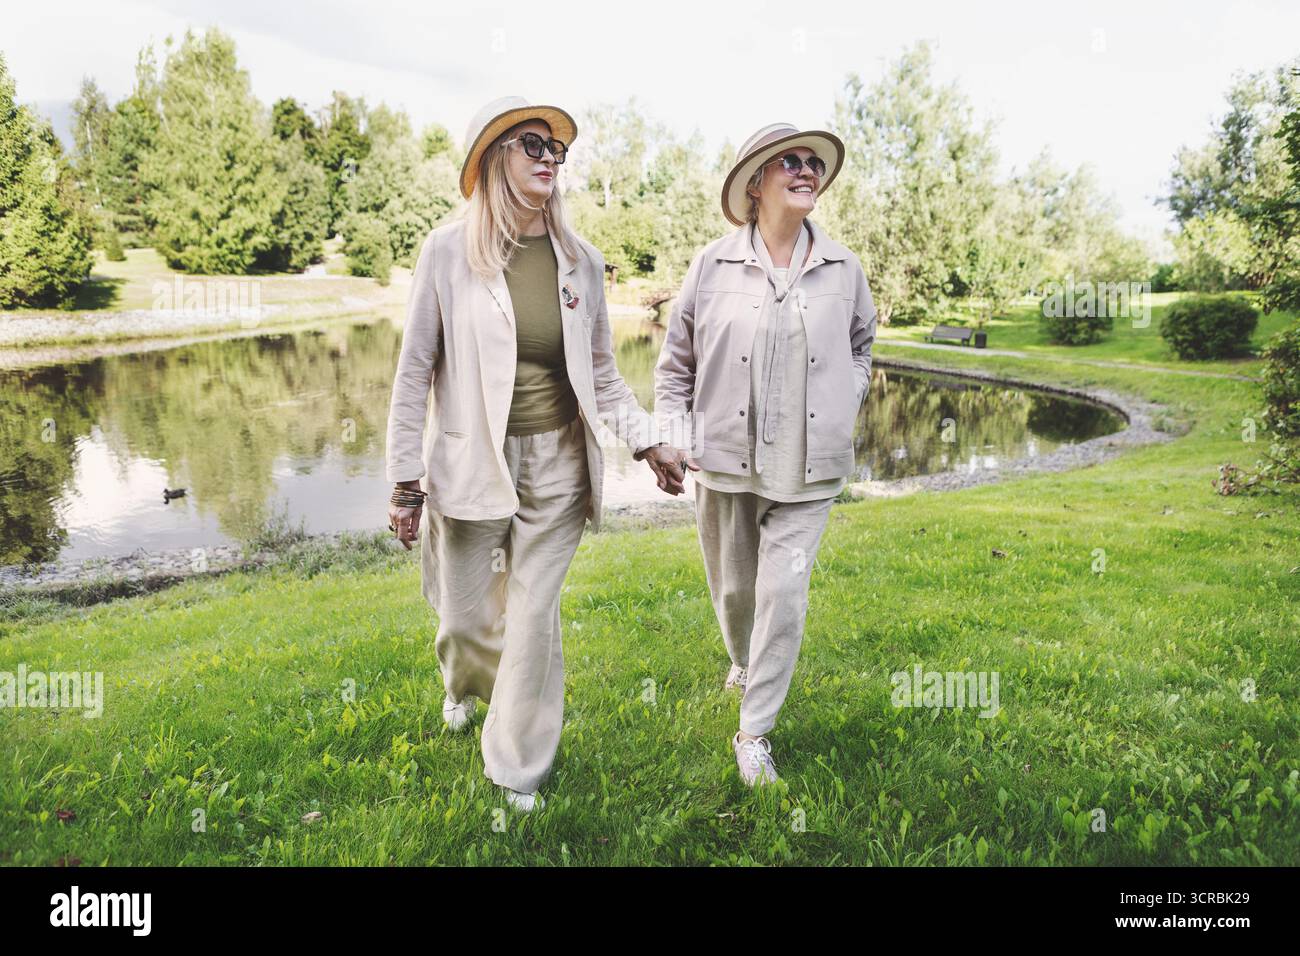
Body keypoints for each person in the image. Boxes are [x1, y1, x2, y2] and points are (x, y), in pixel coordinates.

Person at [385, 96, 686, 812]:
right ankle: (463, 684)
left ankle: (517, 765)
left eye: (558, 149)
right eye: (533, 144)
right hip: (471, 464)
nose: (551, 157)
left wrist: (648, 440)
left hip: (557, 461)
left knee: (532, 617)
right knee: (466, 619)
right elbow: (413, 370)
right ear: (494, 157)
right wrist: (404, 480)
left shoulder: (581, 261)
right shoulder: (447, 253)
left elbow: (602, 374)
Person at [653, 122, 878, 786]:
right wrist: (670, 432)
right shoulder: (712, 264)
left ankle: (754, 733)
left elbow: (864, 343)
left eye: (815, 163)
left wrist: (849, 394)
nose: (807, 170)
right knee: (735, 590)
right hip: (725, 457)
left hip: (811, 466)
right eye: (791, 161)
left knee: (784, 592)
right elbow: (675, 365)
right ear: (757, 183)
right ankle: (743, 659)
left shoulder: (843, 267)